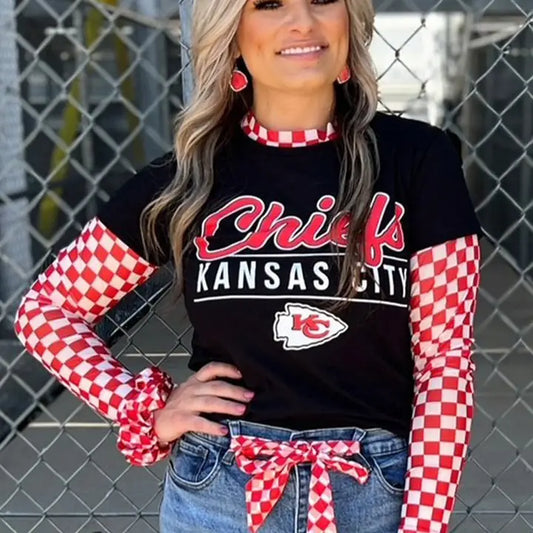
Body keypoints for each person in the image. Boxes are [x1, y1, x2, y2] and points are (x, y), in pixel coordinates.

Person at [14, 0, 483, 531]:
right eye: (268, 4)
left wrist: (423, 524)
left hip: (372, 490)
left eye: (323, 0)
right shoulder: (189, 180)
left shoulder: (419, 159)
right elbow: (48, 311)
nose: (302, 21)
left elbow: (445, 360)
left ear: (350, 19)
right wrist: (142, 408)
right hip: (219, 489)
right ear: (232, 33)